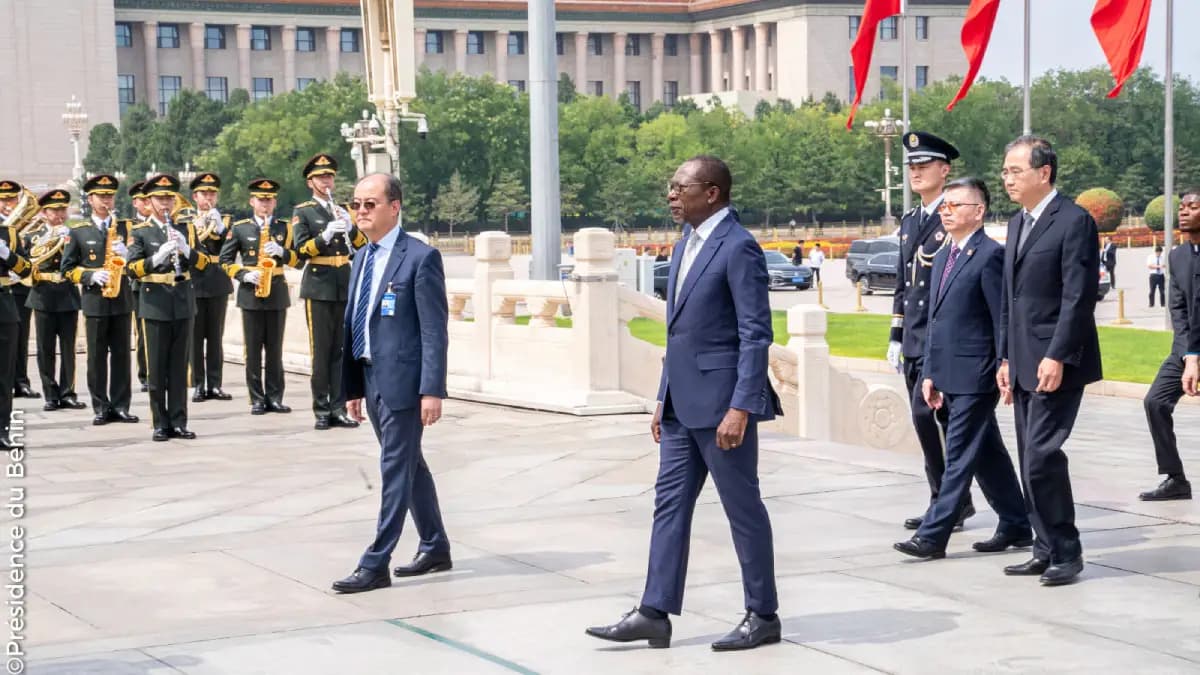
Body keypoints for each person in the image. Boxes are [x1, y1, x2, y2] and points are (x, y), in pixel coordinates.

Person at [587, 156, 783, 651]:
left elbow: (755, 334)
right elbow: (680, 334)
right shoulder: (684, 246)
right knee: (668, 506)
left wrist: (742, 405)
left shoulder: (738, 248)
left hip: (721, 407)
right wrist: (661, 397)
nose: (671, 195)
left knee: (743, 508)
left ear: (712, 192)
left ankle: (763, 614)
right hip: (679, 405)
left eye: (681, 187)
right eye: (670, 187)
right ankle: (654, 611)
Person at [894, 177, 1032, 560]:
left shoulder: (989, 256)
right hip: (946, 371)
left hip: (976, 373)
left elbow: (999, 318)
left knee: (957, 453)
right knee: (986, 452)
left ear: (979, 211)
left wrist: (1004, 363)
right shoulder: (942, 256)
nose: (947, 211)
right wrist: (931, 374)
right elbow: (937, 322)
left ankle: (933, 536)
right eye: (944, 206)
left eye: (955, 205)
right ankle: (1018, 523)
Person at [331, 173, 451, 594]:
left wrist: (432, 389)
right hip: (370, 375)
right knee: (409, 464)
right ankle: (435, 545)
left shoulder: (420, 258)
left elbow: (434, 330)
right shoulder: (361, 257)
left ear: (394, 206)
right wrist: (353, 387)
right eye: (356, 204)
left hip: (404, 383)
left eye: (370, 204)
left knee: (395, 469)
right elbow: (357, 323)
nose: (361, 211)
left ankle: (376, 561)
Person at [997, 135, 1101, 586]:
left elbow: (1078, 298)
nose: (1007, 179)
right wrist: (1003, 357)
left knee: (1042, 456)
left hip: (1057, 360)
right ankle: (1042, 547)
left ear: (1044, 173)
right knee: (1027, 457)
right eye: (1004, 172)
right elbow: (1009, 297)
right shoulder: (1019, 222)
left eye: (1015, 171)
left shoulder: (1073, 220)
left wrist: (1057, 354)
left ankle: (1066, 550)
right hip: (1021, 359)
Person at [886, 131, 974, 531]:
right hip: (914, 339)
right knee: (926, 423)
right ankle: (947, 499)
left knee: (936, 418)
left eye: (924, 166)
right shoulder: (909, 222)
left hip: (942, 341)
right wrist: (895, 335)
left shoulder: (952, 218)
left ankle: (949, 502)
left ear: (945, 170)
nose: (916, 173)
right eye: (911, 167)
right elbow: (904, 285)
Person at [126, 174, 209, 442]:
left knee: (178, 367)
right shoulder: (139, 232)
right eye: (160, 199)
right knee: (157, 368)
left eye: (169, 198)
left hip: (182, 301)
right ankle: (160, 423)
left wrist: (187, 250)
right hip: (154, 303)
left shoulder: (187, 229)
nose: (165, 204)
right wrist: (157, 257)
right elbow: (132, 269)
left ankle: (178, 420)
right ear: (149, 202)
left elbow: (204, 265)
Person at [291, 153, 366, 431]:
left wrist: (350, 226)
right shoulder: (304, 211)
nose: (327, 181)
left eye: (330, 176)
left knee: (341, 351)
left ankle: (340, 406)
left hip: (343, 282)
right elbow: (300, 250)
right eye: (322, 177)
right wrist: (323, 237)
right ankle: (322, 409)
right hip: (319, 284)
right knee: (321, 352)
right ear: (311, 182)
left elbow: (360, 244)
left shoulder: (343, 208)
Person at [60, 174, 139, 426]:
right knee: (96, 357)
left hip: (122, 300)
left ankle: (121, 405)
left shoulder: (128, 228)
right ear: (90, 199)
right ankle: (100, 406)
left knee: (121, 356)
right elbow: (67, 270)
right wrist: (91, 275)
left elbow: (139, 263)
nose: (107, 200)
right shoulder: (79, 232)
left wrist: (126, 255)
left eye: (110, 196)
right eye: (101, 196)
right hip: (95, 302)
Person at [219, 179, 299, 415]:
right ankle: (256, 398)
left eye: (270, 200)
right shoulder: (241, 227)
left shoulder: (284, 228)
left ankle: (275, 397)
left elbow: (298, 259)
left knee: (275, 349)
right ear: (252, 201)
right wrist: (243, 274)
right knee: (253, 350)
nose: (266, 205)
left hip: (276, 290)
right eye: (261, 200)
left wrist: (282, 252)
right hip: (251, 292)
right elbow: (225, 261)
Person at [1141, 190, 1200, 502]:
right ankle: (1175, 478)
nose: (1185, 212)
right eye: (1183, 207)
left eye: (1194, 206)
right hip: (1187, 348)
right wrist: (1188, 354)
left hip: (1194, 351)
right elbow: (1179, 309)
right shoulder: (1176, 257)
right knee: (1155, 402)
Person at [23, 189, 85, 412]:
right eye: (55, 210)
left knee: (68, 348)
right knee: (45, 348)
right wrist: (51, 239)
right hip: (43, 295)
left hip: (67, 294)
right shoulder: (33, 236)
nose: (60, 214)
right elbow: (26, 263)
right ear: (44, 212)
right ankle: (50, 393)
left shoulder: (74, 234)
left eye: (63, 209)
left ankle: (68, 392)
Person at [187, 172, 234, 403]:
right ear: (195, 196)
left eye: (212, 194)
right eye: (204, 194)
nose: (209, 198)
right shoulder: (186, 220)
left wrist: (220, 228)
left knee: (215, 337)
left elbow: (231, 247)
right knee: (195, 338)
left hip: (217, 280)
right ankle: (198, 383)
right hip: (194, 282)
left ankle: (215, 384)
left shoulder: (225, 220)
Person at [0, 185, 32, 449]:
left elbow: (25, 269)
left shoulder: (10, 234)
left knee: (4, 374)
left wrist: (7, 255)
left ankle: (2, 431)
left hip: (4, 305)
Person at [128, 181, 153, 392]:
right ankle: (145, 373)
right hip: (138, 284)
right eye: (144, 200)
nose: (148, 204)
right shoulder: (127, 226)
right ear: (136, 202)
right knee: (143, 333)